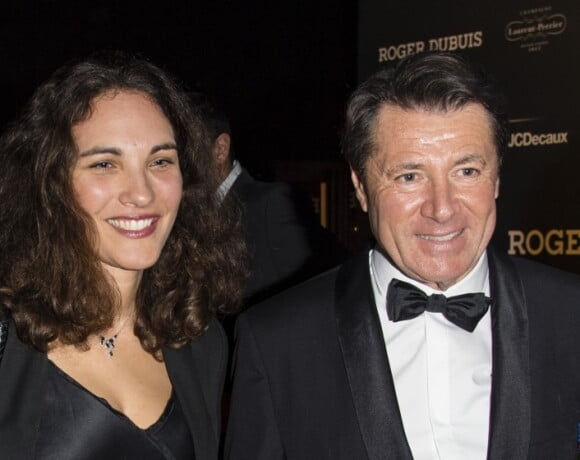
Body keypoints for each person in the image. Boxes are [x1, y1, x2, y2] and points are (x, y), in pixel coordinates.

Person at [225, 52, 580, 459]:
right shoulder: (276, 343)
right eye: (409, 176)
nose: (442, 208)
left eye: (466, 171)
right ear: (360, 188)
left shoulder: (571, 315)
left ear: (496, 177)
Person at [0, 51, 248, 459]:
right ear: (51, 182)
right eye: (105, 164)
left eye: (161, 161)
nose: (142, 193)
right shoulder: (8, 338)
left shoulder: (200, 340)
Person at [190, 94, 347, 304]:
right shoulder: (190, 214)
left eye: (188, 150)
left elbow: (312, 296)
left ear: (220, 149)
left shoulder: (270, 203)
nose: (180, 162)